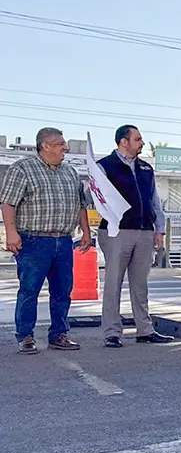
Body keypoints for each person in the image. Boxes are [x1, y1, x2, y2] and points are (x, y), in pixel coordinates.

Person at [0, 127, 89, 354]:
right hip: (33, 241)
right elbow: (8, 202)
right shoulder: (22, 168)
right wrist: (11, 233)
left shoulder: (70, 172)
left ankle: (59, 334)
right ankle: (26, 336)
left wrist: (86, 232)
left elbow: (81, 205)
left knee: (62, 291)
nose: (65, 148)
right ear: (45, 146)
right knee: (29, 290)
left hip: (64, 240)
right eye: (60, 144)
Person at [96, 125, 173, 348]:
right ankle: (112, 332)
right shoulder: (104, 166)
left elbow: (154, 201)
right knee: (113, 283)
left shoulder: (146, 169)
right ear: (123, 142)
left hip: (144, 231)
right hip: (116, 231)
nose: (141, 143)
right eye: (137, 139)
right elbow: (95, 196)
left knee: (140, 284)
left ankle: (145, 330)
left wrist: (159, 228)